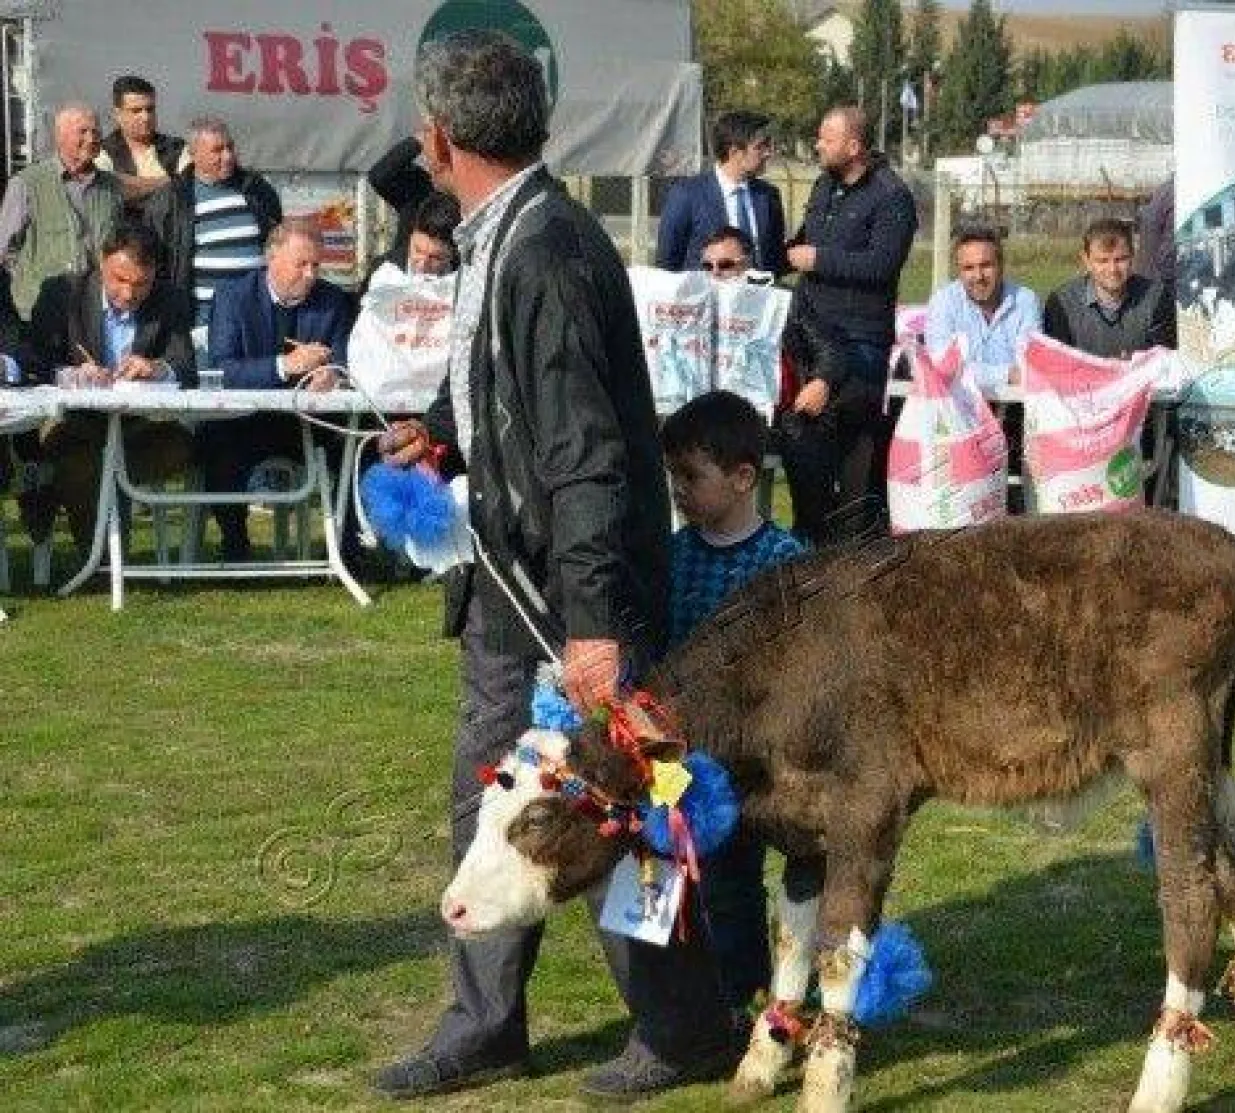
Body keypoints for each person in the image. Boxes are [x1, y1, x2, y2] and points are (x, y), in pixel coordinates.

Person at [370, 29, 738, 1103]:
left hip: (569, 597)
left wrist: (593, 625)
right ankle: (485, 1024)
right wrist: (443, 433)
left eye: (426, 131)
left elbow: (586, 457)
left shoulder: (547, 249)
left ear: (443, 133)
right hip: (508, 583)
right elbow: (507, 394)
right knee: (484, 799)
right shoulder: (502, 230)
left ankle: (685, 1027)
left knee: (610, 806)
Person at [660, 389, 807, 1012]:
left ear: (743, 477)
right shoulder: (672, 556)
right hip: (681, 754)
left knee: (742, 878)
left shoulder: (785, 560)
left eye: (691, 477)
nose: (678, 490)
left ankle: (752, 994)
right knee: (683, 874)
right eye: (673, 477)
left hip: (753, 757)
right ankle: (695, 997)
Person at [782, 105, 917, 545]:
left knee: (844, 443)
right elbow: (802, 244)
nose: (817, 145)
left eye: (827, 138)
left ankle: (850, 543)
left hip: (860, 342)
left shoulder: (891, 196)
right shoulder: (824, 186)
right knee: (803, 439)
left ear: (854, 146)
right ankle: (812, 540)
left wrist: (819, 259)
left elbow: (883, 264)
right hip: (810, 336)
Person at [30, 222, 196, 553]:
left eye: (141, 284)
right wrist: (71, 374)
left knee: (180, 447)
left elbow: (186, 368)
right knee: (82, 462)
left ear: (155, 273)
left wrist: (157, 368)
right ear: (101, 261)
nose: (129, 294)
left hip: (141, 426)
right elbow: (35, 362)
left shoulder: (170, 299)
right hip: (75, 423)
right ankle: (105, 564)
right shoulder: (62, 293)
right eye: (119, 279)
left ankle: (52, 490)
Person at [199, 218, 353, 561]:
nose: (310, 275)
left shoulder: (332, 300)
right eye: (302, 264)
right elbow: (223, 369)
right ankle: (236, 545)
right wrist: (285, 365)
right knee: (216, 443)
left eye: (316, 265)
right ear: (271, 258)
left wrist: (332, 376)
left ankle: (348, 552)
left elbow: (345, 361)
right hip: (245, 420)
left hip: (310, 422)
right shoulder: (233, 297)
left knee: (355, 446)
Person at [147, 116, 282, 327]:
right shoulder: (172, 199)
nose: (227, 156)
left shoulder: (256, 189)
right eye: (217, 150)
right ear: (193, 154)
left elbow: (277, 243)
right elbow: (157, 265)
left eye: (230, 147)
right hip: (203, 321)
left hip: (257, 317)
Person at [0, 102, 123, 323]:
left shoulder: (112, 187)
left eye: (96, 132)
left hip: (92, 310)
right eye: (82, 131)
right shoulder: (27, 183)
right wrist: (29, 280)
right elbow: (6, 248)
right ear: (60, 137)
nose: (91, 138)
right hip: (39, 308)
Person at [657, 110, 788, 276]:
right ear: (734, 152)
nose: (768, 153)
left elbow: (774, 257)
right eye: (760, 147)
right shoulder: (686, 195)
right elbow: (667, 262)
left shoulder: (768, 195)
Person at [924, 225, 1039, 393]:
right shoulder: (943, 302)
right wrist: (1007, 374)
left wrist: (972, 371)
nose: (978, 276)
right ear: (958, 271)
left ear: (1001, 265)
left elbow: (1030, 367)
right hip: (958, 406)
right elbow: (944, 368)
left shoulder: (1025, 300)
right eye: (968, 268)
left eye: (986, 265)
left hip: (1016, 404)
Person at [1043, 218, 1173, 359]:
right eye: (1102, 261)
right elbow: (1056, 364)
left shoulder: (1157, 298)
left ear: (1132, 256)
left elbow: (1164, 361)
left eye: (1120, 259)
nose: (1112, 269)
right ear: (1086, 260)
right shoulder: (1061, 304)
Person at [94, 75, 189, 210]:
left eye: (150, 109)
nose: (145, 117)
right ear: (117, 114)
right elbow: (109, 191)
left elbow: (189, 186)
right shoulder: (101, 151)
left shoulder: (177, 147)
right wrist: (171, 181)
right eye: (136, 111)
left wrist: (131, 184)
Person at [367, 135, 451, 278]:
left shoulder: (472, 197)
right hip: (398, 280)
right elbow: (379, 176)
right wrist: (422, 138)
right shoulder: (419, 186)